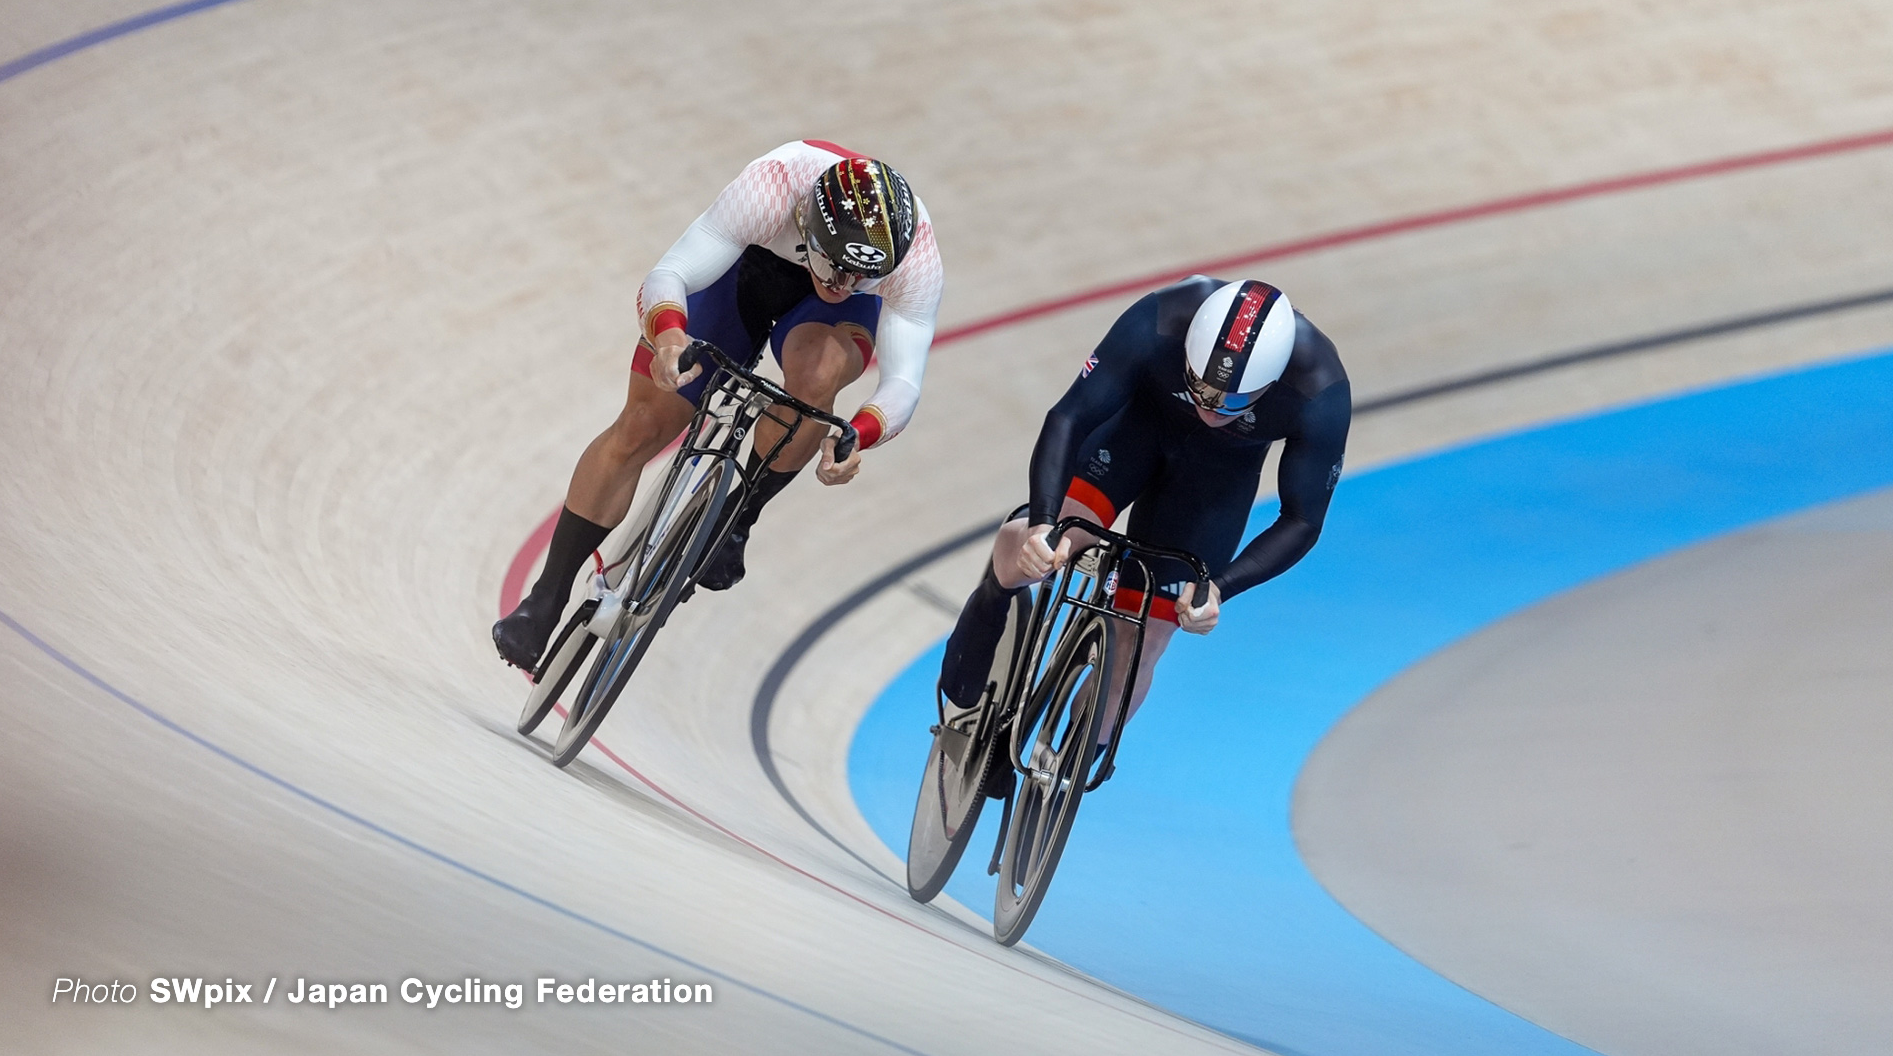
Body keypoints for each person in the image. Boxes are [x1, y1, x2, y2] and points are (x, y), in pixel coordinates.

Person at [493, 139, 943, 673]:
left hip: (817, 325)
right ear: (810, 226)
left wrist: (860, 433)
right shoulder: (772, 188)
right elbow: (670, 275)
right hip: (746, 268)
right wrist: (669, 336)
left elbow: (904, 384)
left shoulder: (914, 256)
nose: (845, 286)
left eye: (861, 276)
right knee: (643, 425)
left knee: (819, 375)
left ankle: (739, 515)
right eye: (838, 268)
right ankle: (546, 596)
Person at [935, 276, 1349, 744]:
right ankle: (997, 590)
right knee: (1057, 542)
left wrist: (1218, 589)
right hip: (1133, 434)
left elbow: (1302, 519)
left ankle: (1064, 764)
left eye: (1231, 401)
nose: (1210, 409)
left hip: (1215, 481)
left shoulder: (1320, 388)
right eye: (1199, 386)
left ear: (1271, 384)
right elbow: (1069, 416)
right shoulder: (1162, 318)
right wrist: (1044, 523)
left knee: (1146, 637)